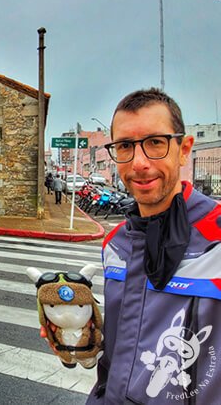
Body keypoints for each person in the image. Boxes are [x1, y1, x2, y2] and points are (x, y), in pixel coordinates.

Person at [85, 88, 221, 404]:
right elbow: (122, 349)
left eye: (155, 143)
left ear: (184, 149)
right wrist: (84, 340)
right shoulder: (115, 243)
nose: (140, 163)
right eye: (125, 146)